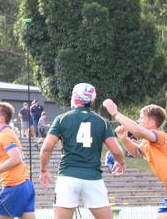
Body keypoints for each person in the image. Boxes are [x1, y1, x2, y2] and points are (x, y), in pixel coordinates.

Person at [40, 83, 126, 219]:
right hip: (93, 178)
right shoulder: (102, 122)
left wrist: (43, 170)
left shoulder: (62, 119)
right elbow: (116, 151)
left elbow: (46, 148)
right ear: (92, 100)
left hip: (67, 176)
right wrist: (121, 162)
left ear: (74, 97)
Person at [102, 99, 167, 218]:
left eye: (141, 118)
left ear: (152, 122)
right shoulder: (147, 142)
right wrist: (125, 139)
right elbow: (137, 152)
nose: (138, 121)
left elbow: (136, 130)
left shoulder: (160, 136)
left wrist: (115, 113)